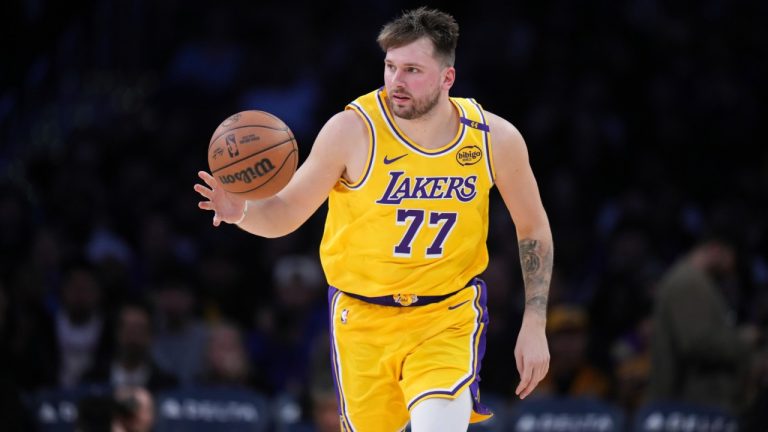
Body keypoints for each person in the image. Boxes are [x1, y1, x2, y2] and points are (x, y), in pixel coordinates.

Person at [195, 7, 553, 431]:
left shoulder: (496, 140)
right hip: (362, 320)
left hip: (446, 317)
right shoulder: (351, 131)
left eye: (413, 70)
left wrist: (534, 321)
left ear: (447, 79)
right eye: (390, 67)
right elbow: (286, 212)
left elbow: (533, 228)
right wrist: (243, 212)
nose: (397, 82)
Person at [648, 236, 754, 414]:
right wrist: (743, 341)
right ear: (715, 249)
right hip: (690, 407)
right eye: (732, 256)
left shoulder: (696, 280)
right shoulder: (688, 282)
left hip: (695, 406)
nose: (732, 267)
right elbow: (696, 342)